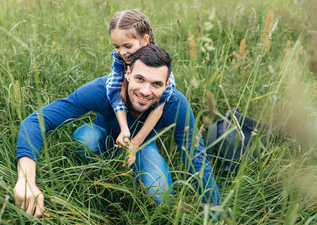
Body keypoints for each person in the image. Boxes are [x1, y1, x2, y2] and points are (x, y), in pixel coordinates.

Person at [14, 45, 221, 218]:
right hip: (102, 139)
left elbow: (195, 156)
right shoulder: (102, 90)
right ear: (128, 73)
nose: (145, 91)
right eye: (140, 79)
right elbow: (35, 121)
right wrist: (25, 180)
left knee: (160, 196)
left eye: (156, 84)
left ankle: (130, 172)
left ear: (167, 85)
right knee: (85, 139)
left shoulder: (175, 103)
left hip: (144, 147)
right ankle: (96, 173)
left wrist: (216, 215)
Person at [106, 9, 175, 167]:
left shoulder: (159, 63)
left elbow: (163, 100)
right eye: (117, 46)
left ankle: (146, 145)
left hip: (146, 123)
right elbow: (113, 88)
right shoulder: (120, 56)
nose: (122, 52)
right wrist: (124, 128)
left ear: (145, 40)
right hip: (123, 116)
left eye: (128, 46)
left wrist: (136, 143)